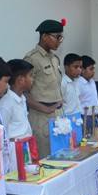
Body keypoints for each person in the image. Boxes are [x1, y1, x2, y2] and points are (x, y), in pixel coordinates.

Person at [24, 19, 65, 159]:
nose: (60, 41)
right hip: (42, 118)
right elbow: (23, 93)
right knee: (46, 161)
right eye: (57, 37)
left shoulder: (54, 59)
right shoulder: (32, 59)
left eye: (61, 37)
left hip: (58, 116)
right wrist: (46, 109)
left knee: (62, 159)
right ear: (45, 36)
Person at [0, 59, 35, 172]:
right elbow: (2, 132)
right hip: (14, 151)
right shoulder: (6, 103)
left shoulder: (22, 99)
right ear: (21, 79)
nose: (33, 79)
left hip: (25, 146)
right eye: (30, 76)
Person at [78, 55, 98, 135]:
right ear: (83, 70)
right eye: (91, 69)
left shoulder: (92, 81)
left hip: (95, 117)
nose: (93, 72)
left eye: (93, 69)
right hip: (85, 118)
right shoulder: (78, 84)